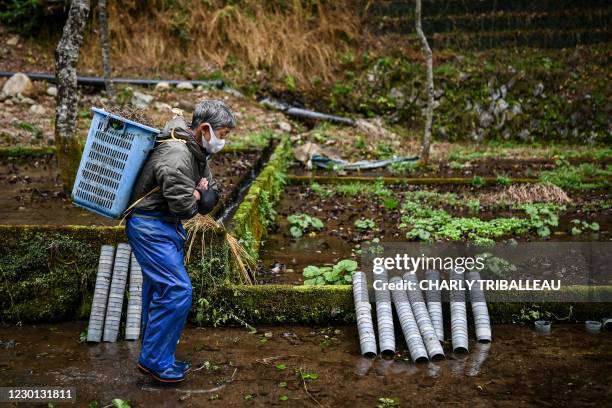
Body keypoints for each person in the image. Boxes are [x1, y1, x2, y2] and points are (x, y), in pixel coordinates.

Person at [126, 100, 235, 383]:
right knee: (177, 290)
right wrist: (197, 196)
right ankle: (154, 361)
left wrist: (201, 195)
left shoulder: (195, 151)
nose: (223, 141)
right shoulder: (176, 155)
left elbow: (210, 191)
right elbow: (186, 207)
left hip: (165, 227)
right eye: (222, 135)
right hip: (151, 229)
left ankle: (159, 357)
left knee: (158, 292)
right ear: (204, 128)